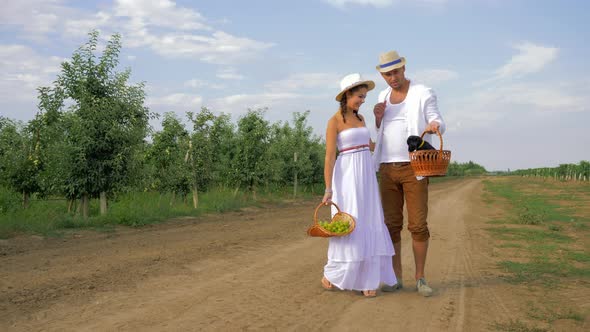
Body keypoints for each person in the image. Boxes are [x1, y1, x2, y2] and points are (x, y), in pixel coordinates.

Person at [372, 50, 446, 297]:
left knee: (417, 224)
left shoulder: (422, 92)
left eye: (395, 72)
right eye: (387, 74)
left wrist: (435, 126)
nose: (392, 77)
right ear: (383, 76)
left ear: (404, 69)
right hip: (386, 168)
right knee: (391, 225)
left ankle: (420, 278)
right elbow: (381, 133)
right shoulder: (382, 96)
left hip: (415, 167)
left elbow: (436, 118)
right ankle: (394, 278)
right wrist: (378, 119)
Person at [321, 73, 397, 298]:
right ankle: (333, 274)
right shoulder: (334, 121)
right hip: (347, 177)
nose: (363, 100)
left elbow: (370, 144)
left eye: (364, 97)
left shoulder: (362, 119)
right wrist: (328, 189)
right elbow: (329, 157)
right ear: (347, 95)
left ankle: (368, 278)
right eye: (359, 97)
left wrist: (382, 130)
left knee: (370, 219)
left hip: (365, 175)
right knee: (351, 220)